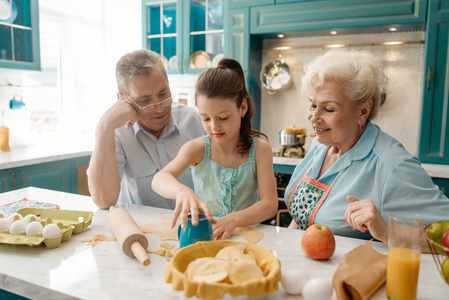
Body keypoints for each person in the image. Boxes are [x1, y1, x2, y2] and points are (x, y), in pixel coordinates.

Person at [285, 50, 449, 245]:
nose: (313, 117)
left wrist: (386, 231)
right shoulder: (321, 144)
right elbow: (303, 216)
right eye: (313, 105)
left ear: (363, 111)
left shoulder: (392, 166)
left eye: (329, 109)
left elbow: (445, 235)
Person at [152, 58, 278, 239]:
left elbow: (269, 204)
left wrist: (234, 219)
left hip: (247, 237)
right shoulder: (197, 148)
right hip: (206, 235)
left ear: (242, 108)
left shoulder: (260, 150)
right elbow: (159, 179)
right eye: (205, 118)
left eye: (223, 117)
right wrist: (181, 191)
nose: (214, 127)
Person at [88, 49, 203, 210]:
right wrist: (103, 128)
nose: (159, 108)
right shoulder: (117, 133)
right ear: (123, 99)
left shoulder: (194, 120)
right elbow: (104, 201)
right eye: (145, 100)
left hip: (193, 224)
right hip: (141, 230)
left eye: (163, 94)